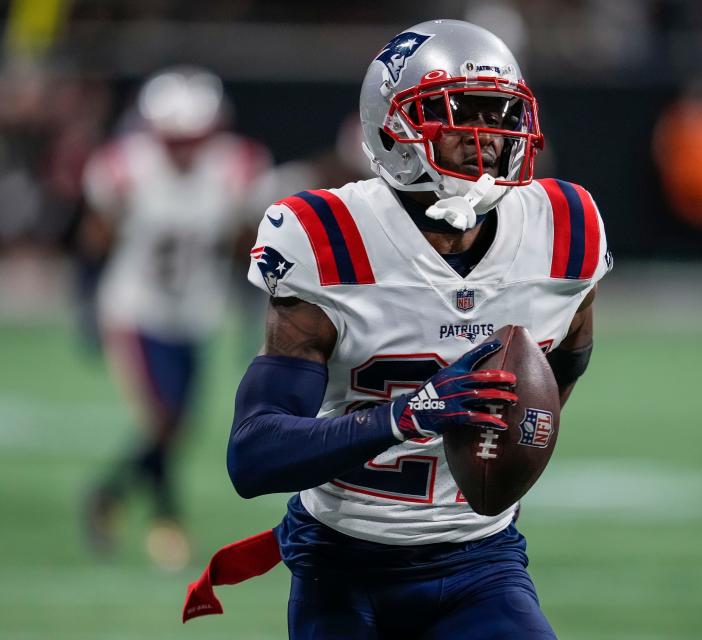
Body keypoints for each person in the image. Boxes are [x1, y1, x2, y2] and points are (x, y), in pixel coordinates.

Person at [186, 20, 610, 638]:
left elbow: (567, 357)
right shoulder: (329, 239)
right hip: (343, 562)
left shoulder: (565, 228)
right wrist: (405, 416)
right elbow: (252, 455)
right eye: (458, 113)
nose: (485, 139)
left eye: (499, 115)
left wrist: (521, 424)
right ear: (392, 128)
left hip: (481, 561)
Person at [81, 66, 270, 570]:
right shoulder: (125, 168)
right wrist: (85, 312)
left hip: (196, 313)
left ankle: (109, 495)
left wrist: (254, 310)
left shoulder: (237, 170)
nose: (184, 150)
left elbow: (246, 249)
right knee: (163, 420)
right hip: (136, 309)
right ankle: (167, 521)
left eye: (194, 139)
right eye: (174, 139)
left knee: (180, 426)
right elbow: (94, 239)